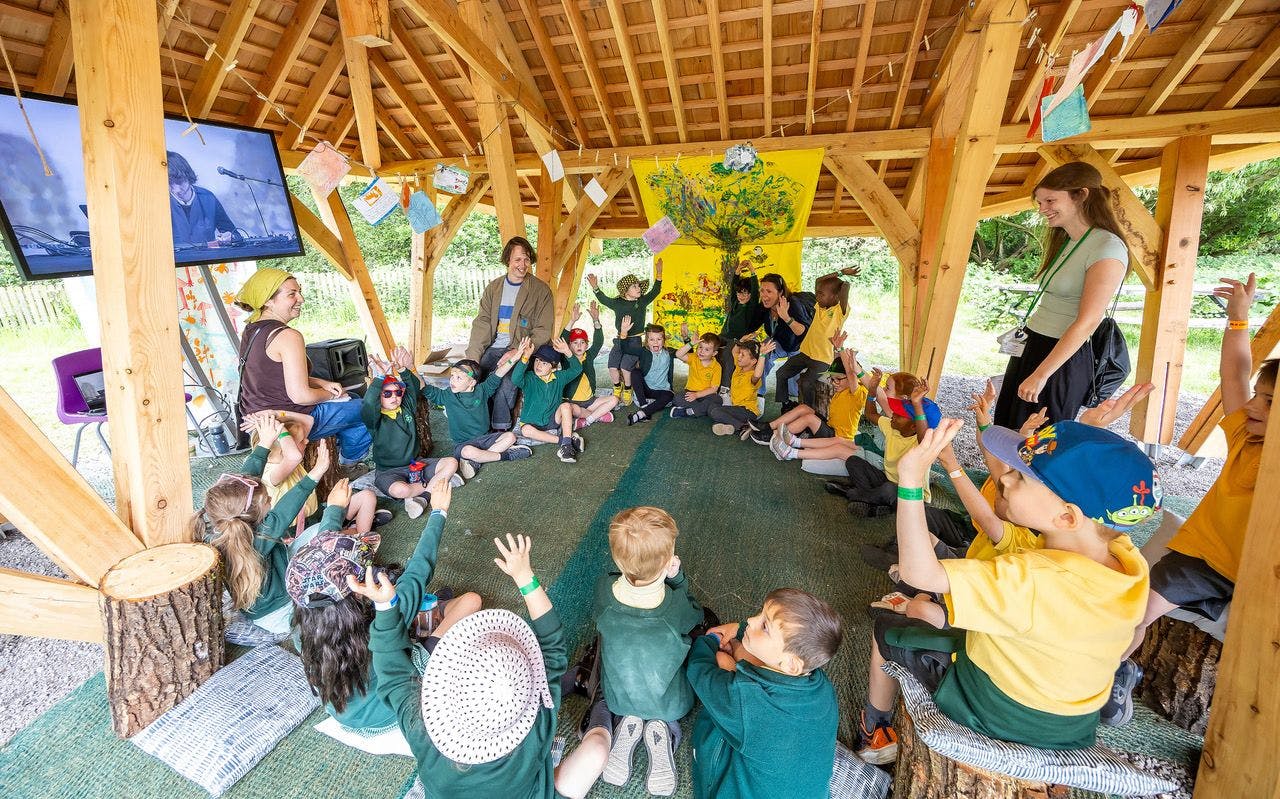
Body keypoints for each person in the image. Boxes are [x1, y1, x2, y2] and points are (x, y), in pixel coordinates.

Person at [855, 419, 1158, 763]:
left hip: (1003, 712)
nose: (1005, 478)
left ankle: (874, 729)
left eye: (1021, 477)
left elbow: (918, 572)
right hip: (1074, 722)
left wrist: (909, 481)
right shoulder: (1126, 559)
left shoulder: (1034, 577)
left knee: (886, 630)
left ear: (1067, 518)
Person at [1105, 274, 1272, 727]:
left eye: (1270, 402)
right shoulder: (1243, 435)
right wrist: (1239, 321)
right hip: (1203, 558)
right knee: (1135, 610)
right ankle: (1116, 672)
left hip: (1263, 579)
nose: (1255, 405)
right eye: (1260, 395)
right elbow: (1234, 374)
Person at [356, 529, 610, 799]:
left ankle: (583, 680)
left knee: (582, 734)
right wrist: (525, 578)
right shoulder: (540, 717)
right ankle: (603, 700)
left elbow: (390, 667)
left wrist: (384, 608)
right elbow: (552, 644)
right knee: (596, 749)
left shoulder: (421, 728)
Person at [290, 480, 481, 748]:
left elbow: (319, 565)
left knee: (430, 607)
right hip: (396, 712)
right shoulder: (383, 623)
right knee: (471, 602)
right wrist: (439, 513)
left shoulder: (302, 625)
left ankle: (425, 617)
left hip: (345, 714)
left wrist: (334, 511)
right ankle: (427, 624)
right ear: (356, 592)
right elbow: (418, 572)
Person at [993, 162, 1130, 430]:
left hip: (1061, 356)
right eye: (1040, 202)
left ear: (1081, 195)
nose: (1043, 209)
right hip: (1034, 342)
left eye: (1050, 200)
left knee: (1038, 440)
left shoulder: (1107, 246)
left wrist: (1042, 374)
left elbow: (1088, 321)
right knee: (1007, 426)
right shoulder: (1068, 240)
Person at [589, 507, 704, 796]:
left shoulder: (604, 589)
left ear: (617, 559)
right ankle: (663, 729)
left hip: (618, 698)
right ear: (667, 562)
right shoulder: (673, 606)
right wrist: (677, 580)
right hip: (671, 703)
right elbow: (695, 615)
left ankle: (628, 724)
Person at [689, 589, 843, 799]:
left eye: (764, 626)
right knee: (748, 661)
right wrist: (738, 629)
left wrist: (710, 642)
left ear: (791, 664)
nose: (751, 620)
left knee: (719, 676)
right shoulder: (821, 686)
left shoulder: (744, 702)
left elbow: (698, 671)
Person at [187, 431, 336, 635]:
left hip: (267, 597)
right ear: (255, 512)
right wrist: (316, 473)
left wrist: (264, 443)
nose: (271, 501)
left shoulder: (224, 525)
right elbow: (283, 512)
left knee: (316, 531)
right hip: (282, 613)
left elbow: (242, 487)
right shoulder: (256, 538)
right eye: (267, 500)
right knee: (326, 537)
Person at [234, 268, 372, 464]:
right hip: (289, 420)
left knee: (354, 397)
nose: (301, 299)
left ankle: (341, 448)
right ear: (268, 300)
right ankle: (351, 461)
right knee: (367, 408)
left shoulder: (252, 329)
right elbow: (301, 396)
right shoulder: (288, 336)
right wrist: (333, 394)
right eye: (292, 294)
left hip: (257, 417)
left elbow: (271, 375)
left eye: (299, 292)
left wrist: (322, 383)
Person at [240, 411, 387, 533]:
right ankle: (356, 532)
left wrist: (271, 415)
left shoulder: (287, 459)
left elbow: (308, 420)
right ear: (283, 449)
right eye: (301, 441)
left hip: (317, 515)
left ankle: (356, 530)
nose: (306, 442)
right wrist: (278, 428)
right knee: (349, 533)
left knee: (368, 496)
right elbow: (295, 456)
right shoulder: (270, 473)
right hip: (297, 531)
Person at [466, 236, 555, 431]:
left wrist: (515, 352)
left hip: (523, 350)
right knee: (476, 375)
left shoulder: (541, 291)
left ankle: (500, 428)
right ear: (508, 260)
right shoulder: (494, 288)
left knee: (507, 381)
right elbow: (481, 323)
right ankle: (475, 425)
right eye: (517, 260)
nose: (522, 265)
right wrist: (472, 360)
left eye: (526, 259)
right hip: (494, 347)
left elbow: (543, 330)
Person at [364, 347, 462, 519]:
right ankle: (436, 484)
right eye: (387, 393)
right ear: (379, 397)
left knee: (452, 462)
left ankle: (423, 498)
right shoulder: (375, 418)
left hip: (415, 465)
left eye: (398, 392)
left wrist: (403, 369)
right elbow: (368, 404)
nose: (393, 397)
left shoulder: (406, 407)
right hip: (388, 472)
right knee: (400, 489)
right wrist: (380, 378)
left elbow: (414, 387)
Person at [840, 371, 935, 517]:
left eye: (899, 415)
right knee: (853, 462)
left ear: (914, 426)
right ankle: (873, 502)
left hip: (913, 497)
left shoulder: (921, 443)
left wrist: (916, 404)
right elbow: (871, 414)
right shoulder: (892, 426)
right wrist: (872, 390)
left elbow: (924, 440)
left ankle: (855, 495)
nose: (893, 415)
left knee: (888, 489)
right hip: (887, 480)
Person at [419, 352, 532, 474]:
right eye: (452, 375)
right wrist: (410, 369)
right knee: (468, 452)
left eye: (459, 378)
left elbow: (500, 373)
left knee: (510, 436)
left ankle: (476, 461)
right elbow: (425, 388)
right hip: (463, 444)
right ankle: (506, 455)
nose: (452, 380)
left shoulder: (483, 390)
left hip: (486, 438)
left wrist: (516, 356)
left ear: (472, 382)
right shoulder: (447, 395)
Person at [758, 343, 869, 464]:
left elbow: (851, 374)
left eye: (838, 379)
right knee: (804, 408)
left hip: (837, 437)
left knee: (810, 418)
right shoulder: (842, 389)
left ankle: (772, 436)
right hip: (830, 427)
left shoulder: (858, 394)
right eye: (832, 379)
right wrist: (838, 348)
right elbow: (844, 370)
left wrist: (842, 350)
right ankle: (769, 427)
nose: (834, 383)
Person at [772, 267, 859, 410]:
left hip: (822, 359)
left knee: (806, 382)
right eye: (818, 293)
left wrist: (845, 279)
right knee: (781, 373)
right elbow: (819, 281)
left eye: (821, 294)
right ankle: (786, 404)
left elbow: (845, 287)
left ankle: (808, 412)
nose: (817, 297)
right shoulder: (819, 306)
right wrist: (840, 272)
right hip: (806, 352)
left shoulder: (839, 311)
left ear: (835, 297)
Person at [588, 259, 664, 405]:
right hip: (619, 340)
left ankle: (628, 388)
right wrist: (595, 287)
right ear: (625, 291)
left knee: (625, 366)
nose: (639, 289)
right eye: (635, 286)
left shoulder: (641, 301)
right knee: (612, 365)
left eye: (639, 286)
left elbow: (655, 291)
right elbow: (604, 300)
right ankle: (617, 386)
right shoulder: (618, 303)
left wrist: (659, 273)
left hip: (634, 341)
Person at [508, 338, 585, 464]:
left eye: (544, 363)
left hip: (552, 419)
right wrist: (525, 357)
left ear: (553, 367)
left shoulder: (559, 377)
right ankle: (565, 442)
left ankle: (565, 447)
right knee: (526, 430)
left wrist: (567, 351)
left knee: (566, 406)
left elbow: (577, 369)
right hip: (532, 422)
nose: (538, 365)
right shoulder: (529, 378)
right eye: (537, 360)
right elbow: (516, 379)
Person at [561, 301, 618, 428]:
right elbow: (562, 338)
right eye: (575, 342)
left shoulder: (589, 355)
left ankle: (587, 419)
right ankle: (596, 415)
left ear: (586, 345)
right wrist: (572, 321)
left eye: (582, 342)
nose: (579, 345)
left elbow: (598, 341)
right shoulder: (565, 358)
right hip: (572, 403)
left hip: (590, 401)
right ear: (569, 345)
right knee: (569, 409)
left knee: (614, 399)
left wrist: (596, 320)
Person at [167, 151, 241, 247]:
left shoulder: (208, 198)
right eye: (170, 183)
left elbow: (236, 236)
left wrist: (230, 237)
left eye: (179, 181)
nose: (176, 190)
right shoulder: (161, 201)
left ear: (188, 176)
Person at [757, 273, 812, 398]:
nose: (764, 295)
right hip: (780, 342)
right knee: (762, 353)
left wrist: (786, 317)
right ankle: (758, 393)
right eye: (762, 290)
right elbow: (752, 323)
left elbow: (804, 334)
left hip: (798, 347)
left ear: (780, 292)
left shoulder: (793, 304)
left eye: (769, 291)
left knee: (794, 392)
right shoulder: (765, 306)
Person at [718, 261, 766, 390]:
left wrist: (752, 270)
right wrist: (738, 269)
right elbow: (733, 287)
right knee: (708, 344)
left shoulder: (750, 306)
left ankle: (725, 388)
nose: (741, 296)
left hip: (736, 340)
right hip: (723, 336)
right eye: (740, 293)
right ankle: (710, 383)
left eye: (745, 293)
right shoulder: (735, 301)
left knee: (728, 356)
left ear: (750, 295)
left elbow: (755, 289)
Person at [708, 339, 772, 436]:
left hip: (748, 412)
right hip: (736, 408)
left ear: (753, 361)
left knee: (715, 412)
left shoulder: (752, 377)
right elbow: (734, 351)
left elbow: (758, 374)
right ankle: (730, 426)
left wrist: (762, 355)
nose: (739, 356)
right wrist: (741, 341)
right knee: (712, 406)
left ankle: (744, 427)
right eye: (740, 353)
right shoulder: (739, 368)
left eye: (743, 355)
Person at [626, 322, 677, 426]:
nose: (656, 342)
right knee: (635, 372)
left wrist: (686, 338)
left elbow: (687, 353)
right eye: (652, 339)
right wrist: (623, 332)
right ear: (647, 341)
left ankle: (641, 414)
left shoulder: (669, 352)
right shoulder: (643, 351)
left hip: (661, 391)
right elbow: (625, 348)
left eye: (659, 339)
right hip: (645, 390)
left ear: (664, 340)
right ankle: (644, 407)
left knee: (670, 395)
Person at [669, 325, 724, 419]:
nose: (702, 351)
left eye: (707, 349)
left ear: (714, 353)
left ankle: (687, 412)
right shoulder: (694, 357)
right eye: (700, 347)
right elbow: (678, 354)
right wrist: (691, 343)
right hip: (690, 392)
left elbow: (714, 389)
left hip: (706, 395)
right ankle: (702, 410)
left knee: (718, 400)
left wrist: (697, 395)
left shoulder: (717, 367)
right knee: (677, 398)